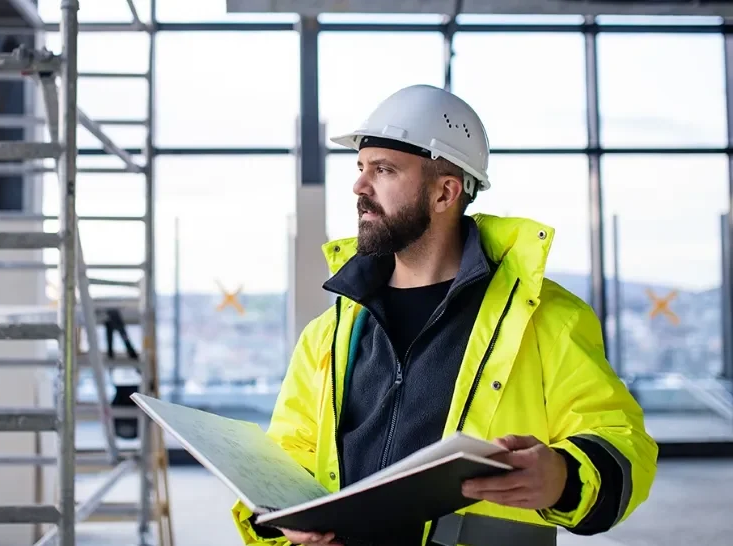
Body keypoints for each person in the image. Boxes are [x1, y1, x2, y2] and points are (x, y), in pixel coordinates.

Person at [231, 84, 658, 546]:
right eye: (360, 168)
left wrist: (565, 477)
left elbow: (622, 440)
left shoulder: (546, 319)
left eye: (384, 170)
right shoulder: (330, 333)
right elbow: (288, 457)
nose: (359, 186)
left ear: (444, 193)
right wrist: (274, 519)